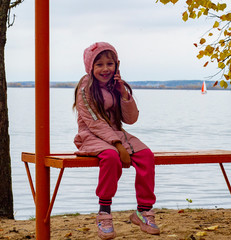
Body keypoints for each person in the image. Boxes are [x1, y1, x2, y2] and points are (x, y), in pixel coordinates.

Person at [73, 42, 160, 239]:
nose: (105, 69)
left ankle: (143, 211)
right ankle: (104, 213)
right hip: (91, 135)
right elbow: (94, 122)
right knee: (111, 158)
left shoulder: (116, 85)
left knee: (146, 155)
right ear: (90, 67)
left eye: (109, 64)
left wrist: (123, 94)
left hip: (116, 133)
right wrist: (118, 146)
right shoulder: (85, 87)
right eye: (99, 65)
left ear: (117, 64)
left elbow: (130, 119)